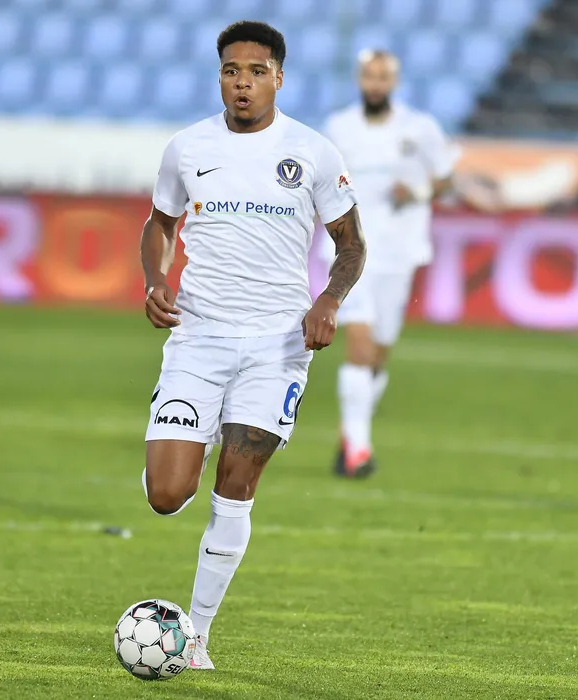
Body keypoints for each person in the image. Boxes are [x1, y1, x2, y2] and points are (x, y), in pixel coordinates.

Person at [139, 21, 365, 670]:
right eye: (231, 71)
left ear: (278, 78)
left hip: (277, 345)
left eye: (256, 72)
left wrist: (328, 301)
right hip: (198, 336)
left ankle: (198, 637)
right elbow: (158, 224)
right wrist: (155, 280)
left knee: (237, 482)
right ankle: (179, 446)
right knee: (166, 496)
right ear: (220, 77)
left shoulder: (312, 152)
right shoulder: (187, 148)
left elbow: (352, 246)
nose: (242, 83)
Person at [320, 50, 460, 478]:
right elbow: (319, 182)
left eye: (383, 77)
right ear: (359, 79)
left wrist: (417, 193)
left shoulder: (420, 128)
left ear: (394, 82)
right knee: (359, 342)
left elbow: (446, 179)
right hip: (350, 250)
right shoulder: (338, 128)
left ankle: (349, 437)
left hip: (400, 251)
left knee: (379, 351)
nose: (375, 84)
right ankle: (359, 452)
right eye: (369, 76)